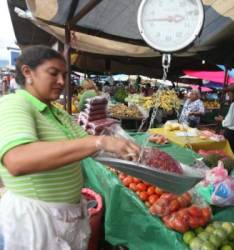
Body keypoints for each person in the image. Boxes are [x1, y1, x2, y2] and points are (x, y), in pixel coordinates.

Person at [0, 45, 140, 250]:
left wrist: (128, 151)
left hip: (63, 216)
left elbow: (90, 146)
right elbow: (17, 160)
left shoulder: (57, 113)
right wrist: (99, 142)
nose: (62, 82)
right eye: (53, 73)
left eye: (64, 75)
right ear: (27, 72)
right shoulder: (14, 103)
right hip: (35, 220)